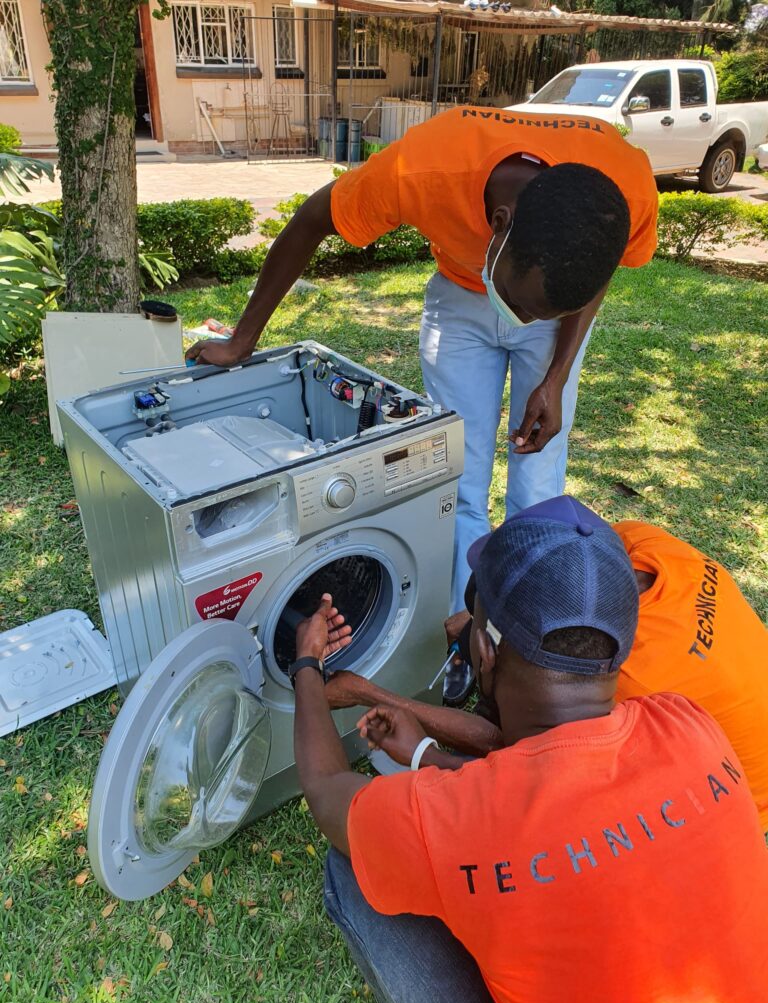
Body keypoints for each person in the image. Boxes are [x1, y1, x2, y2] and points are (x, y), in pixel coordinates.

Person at [185, 108, 658, 701]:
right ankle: (465, 643)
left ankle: (524, 651)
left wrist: (557, 373)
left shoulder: (626, 182)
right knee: (459, 481)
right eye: (522, 305)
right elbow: (311, 220)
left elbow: (596, 267)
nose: (523, 324)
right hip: (461, 303)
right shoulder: (425, 164)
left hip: (558, 318)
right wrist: (241, 339)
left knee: (538, 491)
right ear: (498, 224)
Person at [291, 498, 768, 1003]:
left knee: (353, 861)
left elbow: (325, 788)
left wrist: (307, 665)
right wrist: (427, 754)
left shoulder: (463, 818)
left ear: (487, 652)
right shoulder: (687, 723)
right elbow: (557, 799)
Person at [327, 503, 768, 831]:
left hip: (736, 805)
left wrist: (369, 695)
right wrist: (474, 626)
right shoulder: (645, 543)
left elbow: (529, 773)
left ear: (495, 646)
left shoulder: (627, 682)